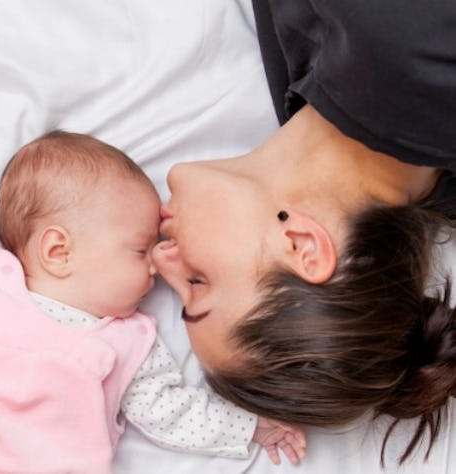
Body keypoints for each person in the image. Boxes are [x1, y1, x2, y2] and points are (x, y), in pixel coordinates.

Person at [0, 131, 305, 473]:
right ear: (59, 251)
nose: (154, 267)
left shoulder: (132, 341)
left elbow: (174, 414)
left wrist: (251, 426)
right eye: (139, 249)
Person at [151, 0, 456, 466]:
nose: (160, 260)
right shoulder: (406, 51)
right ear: (301, 246)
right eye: (197, 282)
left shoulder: (318, 90)